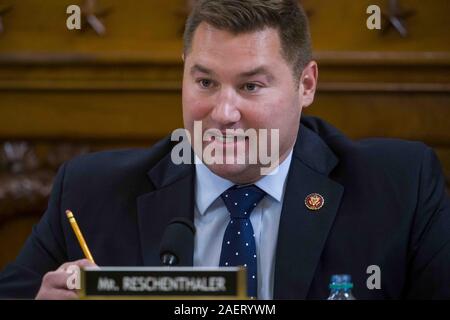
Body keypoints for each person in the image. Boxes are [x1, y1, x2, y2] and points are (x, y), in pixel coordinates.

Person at [1, 0, 449, 300]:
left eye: (251, 86)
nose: (223, 112)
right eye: (205, 82)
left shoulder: (400, 188)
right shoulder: (90, 193)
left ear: (305, 84)